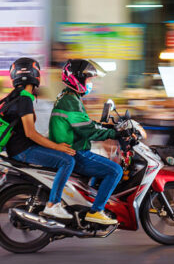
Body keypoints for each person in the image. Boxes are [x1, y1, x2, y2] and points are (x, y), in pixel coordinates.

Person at [1, 57, 77, 221]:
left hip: (19, 148)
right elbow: (30, 133)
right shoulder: (25, 99)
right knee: (66, 161)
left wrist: (53, 143)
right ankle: (53, 205)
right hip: (23, 150)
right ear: (34, 75)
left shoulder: (14, 96)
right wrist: (57, 147)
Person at [49, 59, 122, 226]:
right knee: (115, 171)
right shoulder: (70, 101)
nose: (91, 84)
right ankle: (96, 211)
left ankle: (90, 202)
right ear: (78, 79)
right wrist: (113, 132)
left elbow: (84, 123)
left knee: (103, 165)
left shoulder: (68, 97)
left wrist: (105, 126)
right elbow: (87, 130)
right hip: (76, 151)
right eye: (89, 80)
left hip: (74, 147)